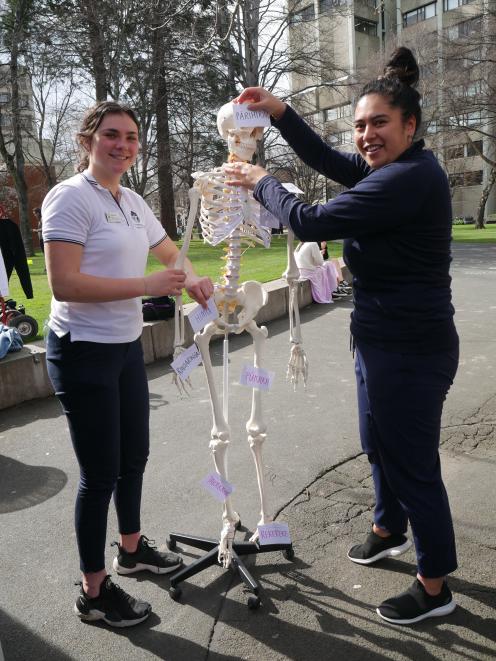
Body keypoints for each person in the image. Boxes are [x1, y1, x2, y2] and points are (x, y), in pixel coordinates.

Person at [224, 47, 459, 625]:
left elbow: (311, 221)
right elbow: (329, 159)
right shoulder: (387, 170)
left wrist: (262, 180)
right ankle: (388, 527)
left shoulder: (409, 178)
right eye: (360, 125)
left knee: (413, 462)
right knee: (376, 440)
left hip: (411, 346)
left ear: (410, 125)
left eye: (379, 123)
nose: (366, 135)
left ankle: (435, 586)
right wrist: (280, 112)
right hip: (379, 337)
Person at [42, 101, 214, 628]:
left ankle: (132, 550)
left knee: (133, 456)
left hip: (123, 348)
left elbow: (168, 254)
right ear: (88, 140)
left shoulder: (132, 201)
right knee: (99, 474)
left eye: (132, 137)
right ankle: (93, 593)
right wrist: (145, 286)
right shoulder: (68, 198)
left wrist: (197, 278)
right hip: (81, 351)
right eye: (112, 135)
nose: (123, 144)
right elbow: (64, 284)